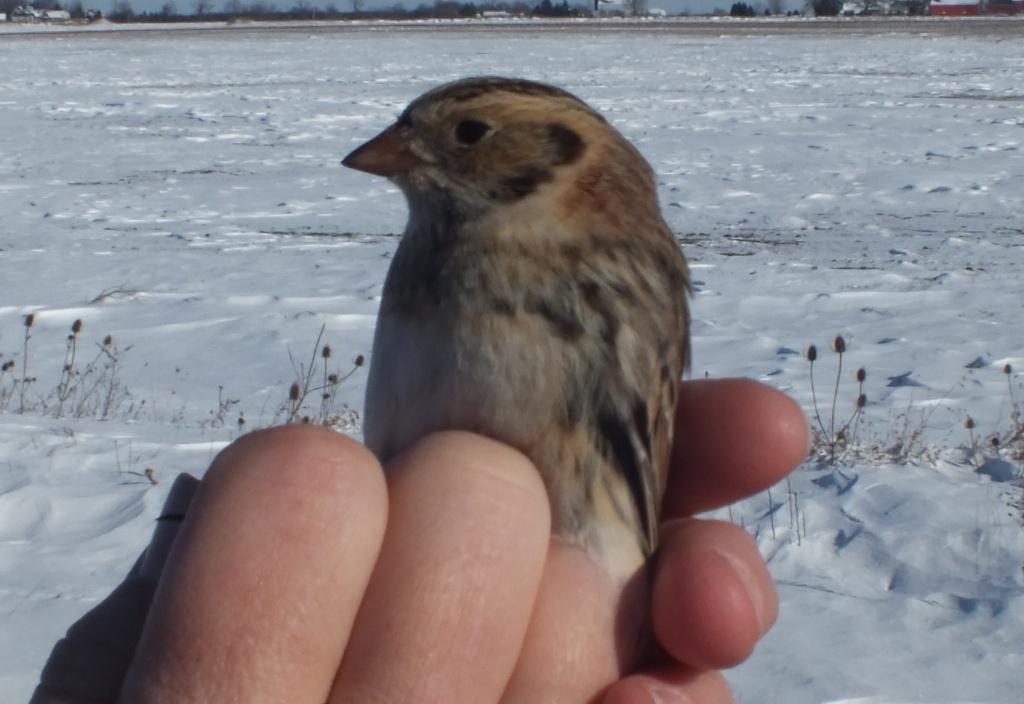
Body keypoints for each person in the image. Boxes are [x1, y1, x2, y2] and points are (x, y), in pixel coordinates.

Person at [32, 378, 807, 704]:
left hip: (582, 575)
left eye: (466, 136)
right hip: (380, 542)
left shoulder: (618, 264)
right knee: (311, 491)